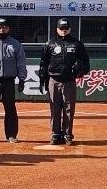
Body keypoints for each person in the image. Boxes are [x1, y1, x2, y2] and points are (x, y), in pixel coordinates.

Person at [38, 18, 90, 146]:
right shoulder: (50, 44)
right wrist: (42, 79)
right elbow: (43, 63)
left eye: (66, 28)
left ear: (70, 29)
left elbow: (86, 62)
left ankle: (67, 134)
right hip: (53, 79)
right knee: (55, 108)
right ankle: (55, 134)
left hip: (69, 81)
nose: (64, 30)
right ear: (57, 29)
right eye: (61, 28)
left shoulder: (77, 44)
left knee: (69, 108)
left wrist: (81, 71)